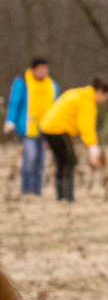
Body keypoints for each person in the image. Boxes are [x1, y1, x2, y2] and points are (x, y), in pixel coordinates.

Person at [38, 78, 108, 203]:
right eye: (105, 96)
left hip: (48, 127)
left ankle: (61, 197)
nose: (104, 100)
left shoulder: (77, 93)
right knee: (70, 161)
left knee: (62, 162)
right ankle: (68, 197)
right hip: (58, 130)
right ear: (99, 92)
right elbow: (87, 128)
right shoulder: (87, 102)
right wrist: (94, 151)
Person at [6, 58, 58, 196]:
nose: (43, 72)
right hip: (27, 128)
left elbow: (56, 108)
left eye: (45, 69)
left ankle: (36, 191)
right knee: (30, 157)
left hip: (46, 129)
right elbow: (14, 102)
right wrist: (10, 121)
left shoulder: (52, 86)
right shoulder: (22, 82)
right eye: (40, 69)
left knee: (41, 162)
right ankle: (26, 190)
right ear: (33, 69)